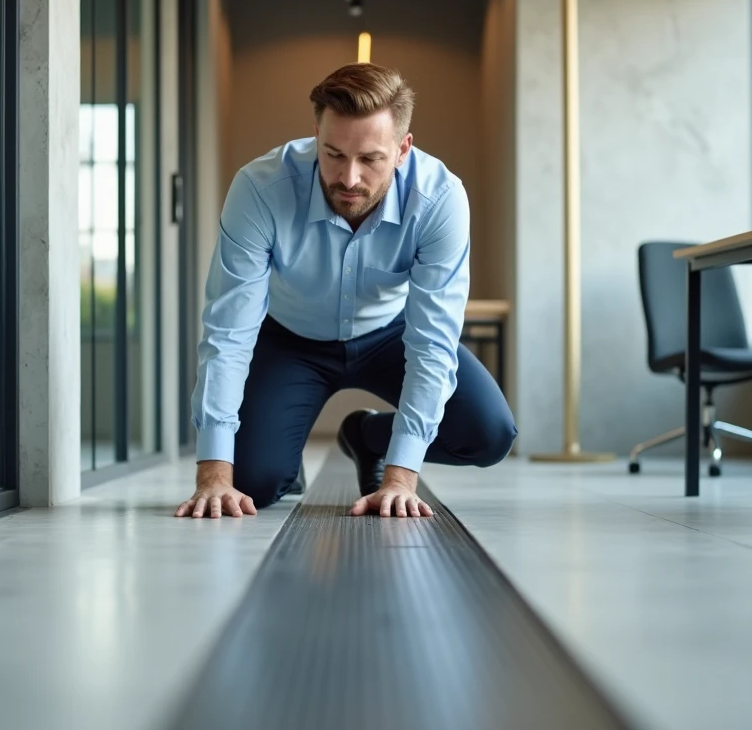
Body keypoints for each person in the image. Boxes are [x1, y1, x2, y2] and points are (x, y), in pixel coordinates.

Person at [175, 63, 517, 521]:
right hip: (290, 337)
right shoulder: (259, 188)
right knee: (251, 482)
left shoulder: (439, 199)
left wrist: (400, 475)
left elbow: (434, 342)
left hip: (390, 333)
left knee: (489, 434)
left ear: (402, 149)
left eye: (371, 159)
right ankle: (281, 454)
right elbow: (229, 330)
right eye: (333, 154)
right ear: (316, 134)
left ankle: (368, 437)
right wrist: (213, 475)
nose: (349, 178)